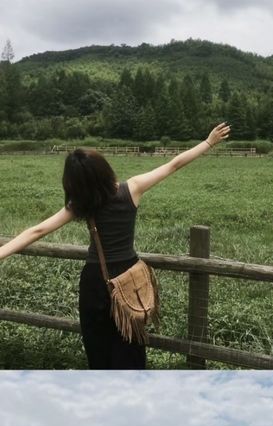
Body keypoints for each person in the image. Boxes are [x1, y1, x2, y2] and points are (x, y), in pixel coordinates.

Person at [0, 122, 231, 369]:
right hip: (129, 278)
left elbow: (38, 230)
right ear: (104, 169)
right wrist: (208, 142)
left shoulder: (81, 203)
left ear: (75, 183)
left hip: (95, 282)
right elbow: (173, 164)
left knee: (97, 349)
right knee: (130, 347)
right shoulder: (131, 188)